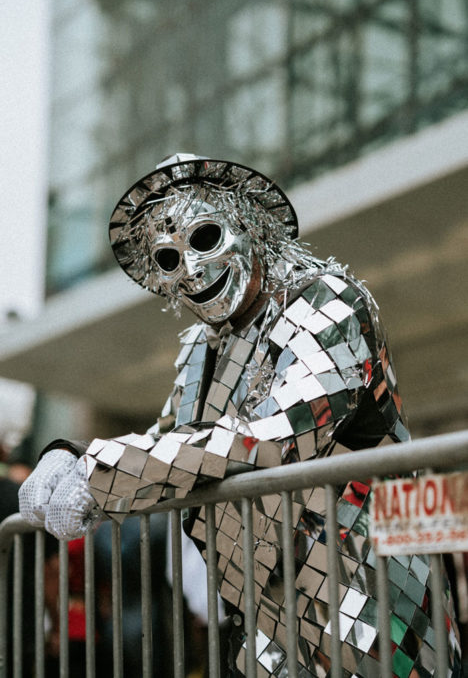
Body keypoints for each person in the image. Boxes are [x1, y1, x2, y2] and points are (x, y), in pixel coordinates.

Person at [19, 153, 461, 676]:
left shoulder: (329, 304)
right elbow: (170, 441)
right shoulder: (199, 351)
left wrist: (100, 471)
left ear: (248, 224)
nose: (191, 268)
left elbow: (273, 440)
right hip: (265, 624)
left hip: (375, 609)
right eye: (168, 258)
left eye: (204, 237)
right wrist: (68, 454)